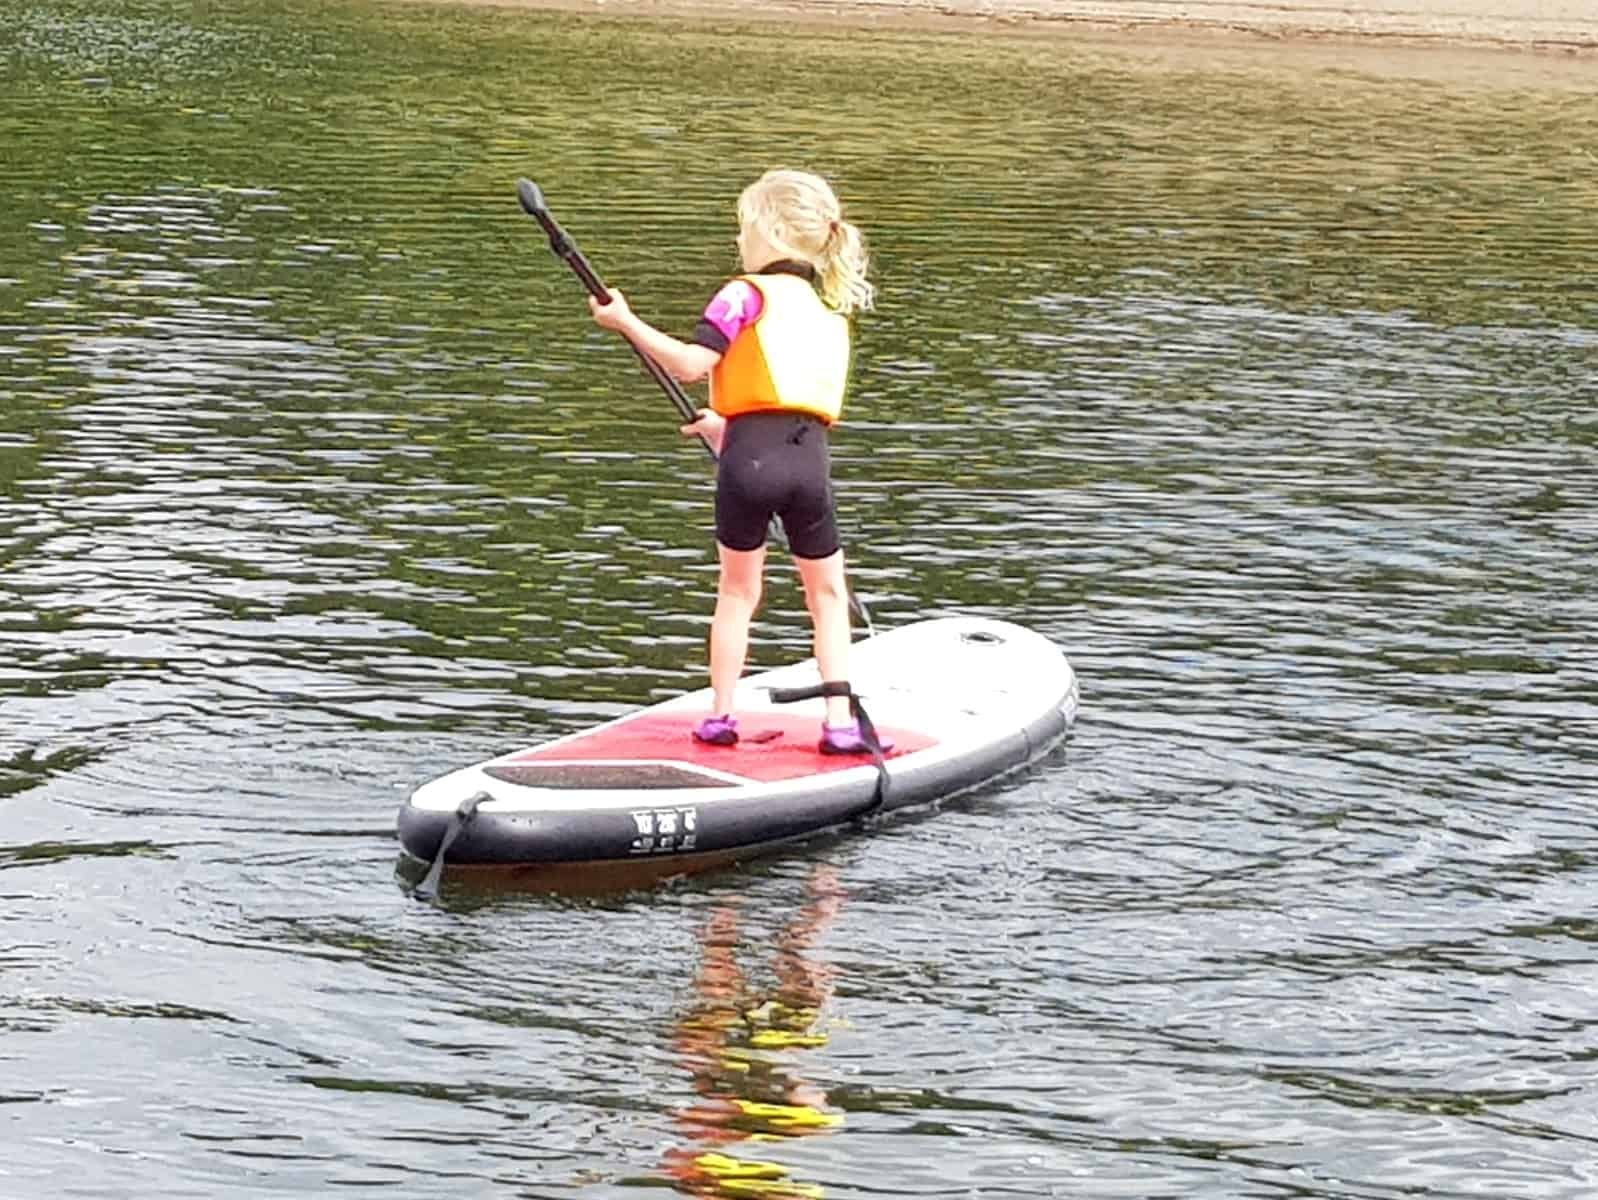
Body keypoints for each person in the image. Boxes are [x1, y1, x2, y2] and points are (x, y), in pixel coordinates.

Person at [589, 168, 878, 754]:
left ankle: (722, 717)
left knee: (739, 593)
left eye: (743, 229)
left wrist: (625, 321)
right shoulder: (831, 312)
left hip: (748, 465)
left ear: (768, 231)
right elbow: (794, 406)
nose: (739, 242)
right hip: (810, 467)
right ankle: (839, 721)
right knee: (826, 595)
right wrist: (727, 425)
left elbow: (693, 365)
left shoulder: (743, 293)